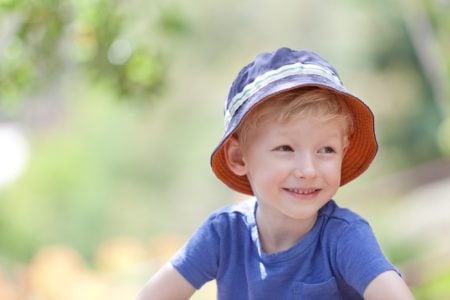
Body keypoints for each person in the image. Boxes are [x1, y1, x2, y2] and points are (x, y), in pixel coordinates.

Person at [136, 47, 415, 299]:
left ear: (343, 151)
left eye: (326, 150)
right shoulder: (223, 235)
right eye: (285, 148)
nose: (308, 170)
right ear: (238, 157)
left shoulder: (344, 237)